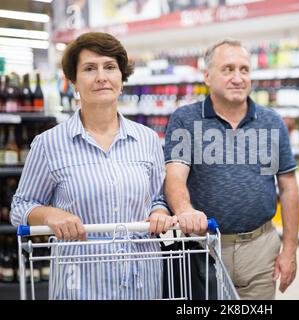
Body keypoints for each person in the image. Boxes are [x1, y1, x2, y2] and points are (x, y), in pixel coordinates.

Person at [10, 32, 177, 300]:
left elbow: (158, 197)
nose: (101, 76)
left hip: (141, 281)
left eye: (110, 67)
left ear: (121, 78)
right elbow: (20, 207)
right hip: (81, 284)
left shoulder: (147, 139)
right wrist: (50, 215)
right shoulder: (49, 144)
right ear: (73, 82)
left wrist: (159, 211)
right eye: (89, 68)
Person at [163, 39, 299, 300]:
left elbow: (288, 186)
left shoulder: (271, 121)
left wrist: (290, 250)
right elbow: (175, 174)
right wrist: (184, 210)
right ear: (207, 76)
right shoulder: (186, 119)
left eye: (244, 69)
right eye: (228, 69)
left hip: (261, 249)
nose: (238, 78)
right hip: (204, 248)